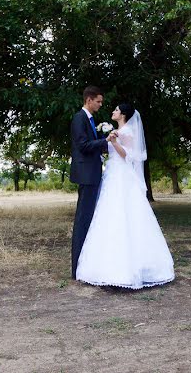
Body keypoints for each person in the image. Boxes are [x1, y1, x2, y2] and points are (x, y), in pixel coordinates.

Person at [75, 103, 175, 289]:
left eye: (116, 110)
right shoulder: (117, 130)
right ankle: (105, 266)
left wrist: (112, 142)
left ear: (123, 114)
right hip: (112, 174)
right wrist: (108, 142)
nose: (112, 111)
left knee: (123, 214)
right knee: (108, 216)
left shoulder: (127, 131)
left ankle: (128, 269)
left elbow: (128, 156)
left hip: (122, 177)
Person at [69, 85, 110, 279]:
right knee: (83, 220)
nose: (101, 105)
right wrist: (105, 141)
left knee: (89, 219)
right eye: (99, 101)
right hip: (86, 175)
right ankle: (77, 267)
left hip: (92, 174)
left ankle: (86, 264)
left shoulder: (91, 120)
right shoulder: (80, 118)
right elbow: (83, 146)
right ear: (89, 100)